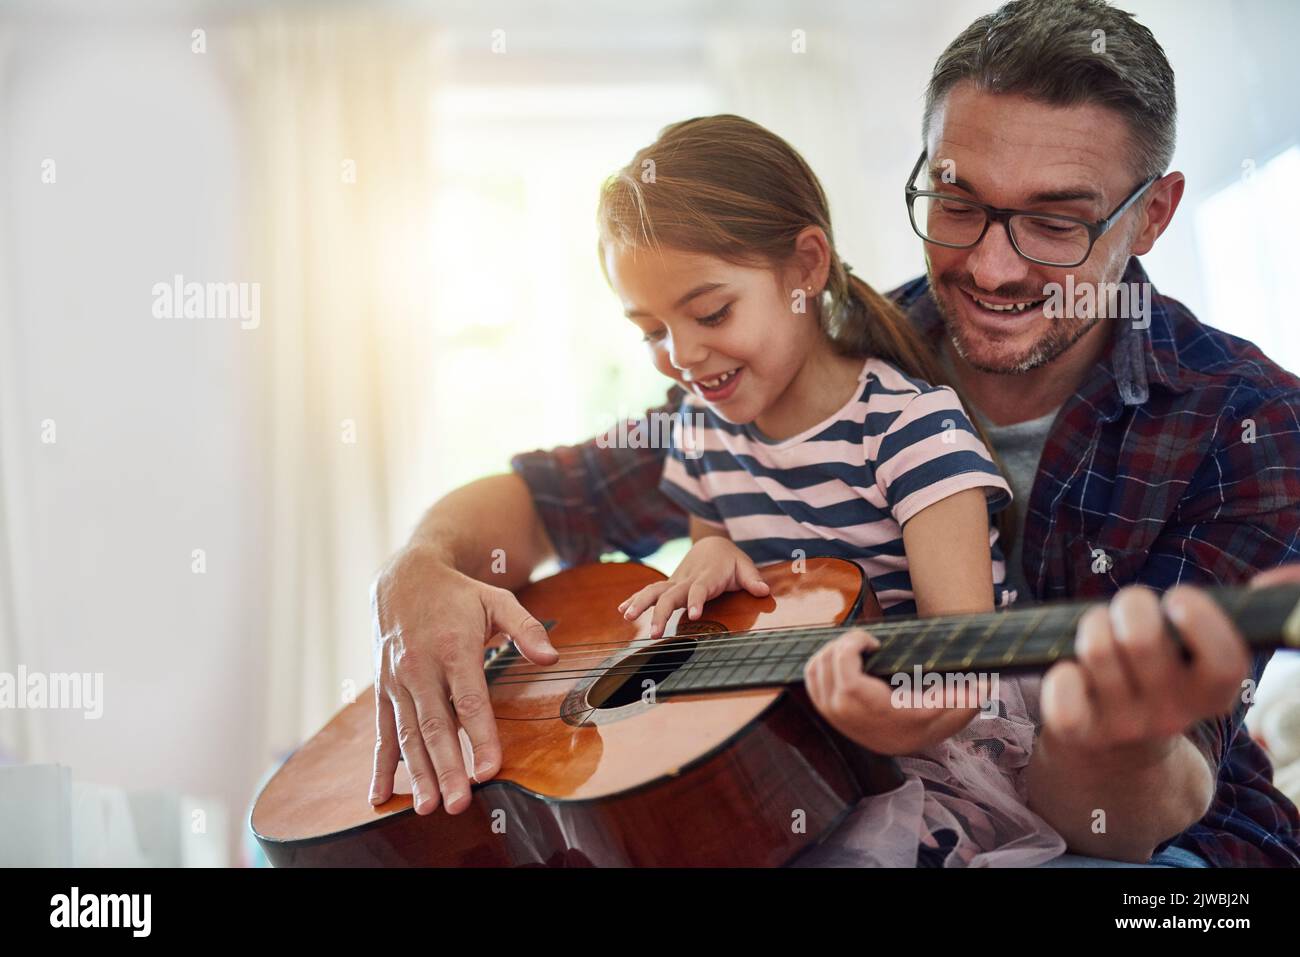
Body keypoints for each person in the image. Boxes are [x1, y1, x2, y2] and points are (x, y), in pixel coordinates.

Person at [368, 0, 1300, 866]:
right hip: (841, 792)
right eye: (958, 201)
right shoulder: (805, 360)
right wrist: (420, 571)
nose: (990, 264)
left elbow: (1141, 805)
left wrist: (1110, 734)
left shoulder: (1250, 420)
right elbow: (539, 500)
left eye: (1056, 222)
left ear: (1153, 215)